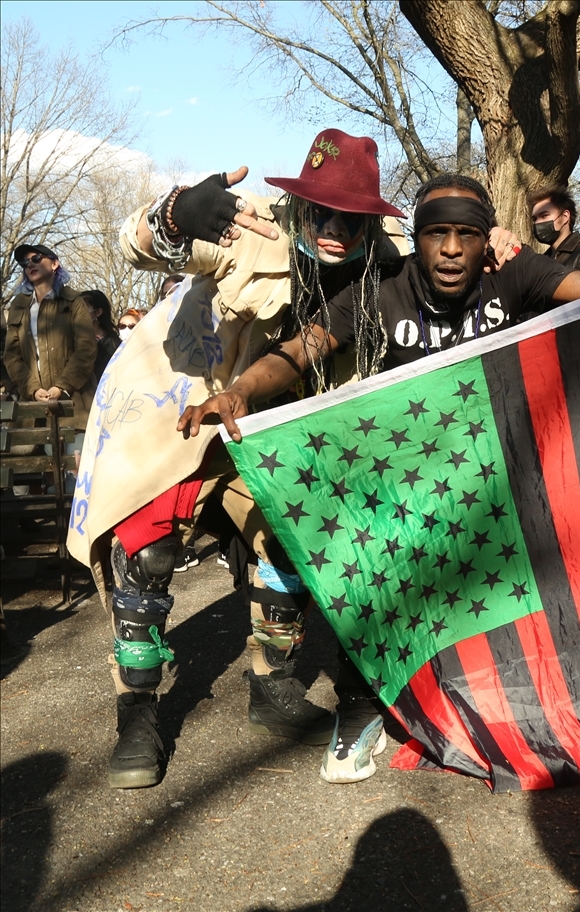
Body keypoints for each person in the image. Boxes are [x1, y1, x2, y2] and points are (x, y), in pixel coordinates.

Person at [180, 171, 580, 783]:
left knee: (529, 580)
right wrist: (239, 390)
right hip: (415, 478)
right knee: (379, 577)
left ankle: (536, 693)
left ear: (487, 244)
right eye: (437, 235)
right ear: (417, 240)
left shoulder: (517, 274)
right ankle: (360, 703)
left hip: (503, 472)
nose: (451, 249)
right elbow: (299, 350)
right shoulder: (381, 290)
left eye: (466, 236)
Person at [69, 128, 447, 790]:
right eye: (321, 210)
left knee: (297, 547)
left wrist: (501, 244)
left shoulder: (387, 258)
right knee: (147, 548)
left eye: (351, 217)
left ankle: (270, 685)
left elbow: (453, 268)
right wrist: (176, 213)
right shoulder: (249, 226)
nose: (333, 228)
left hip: (276, 431)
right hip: (181, 411)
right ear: (299, 202)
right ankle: (137, 710)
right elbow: (140, 244)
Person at [3, 243, 97, 490]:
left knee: (76, 479)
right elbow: (12, 356)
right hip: (34, 406)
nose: (29, 264)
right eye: (25, 263)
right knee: (40, 480)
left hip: (74, 404)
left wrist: (61, 386)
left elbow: (86, 349)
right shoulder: (19, 306)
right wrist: (33, 389)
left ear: (54, 264)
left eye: (36, 258)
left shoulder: (73, 301)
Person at [527, 186, 580, 275]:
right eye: (534, 219)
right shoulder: (542, 260)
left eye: (544, 216)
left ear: (565, 217)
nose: (537, 223)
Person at [81, 290, 120, 383]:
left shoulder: (113, 345)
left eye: (83, 309)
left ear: (98, 312)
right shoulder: (75, 340)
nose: (78, 314)